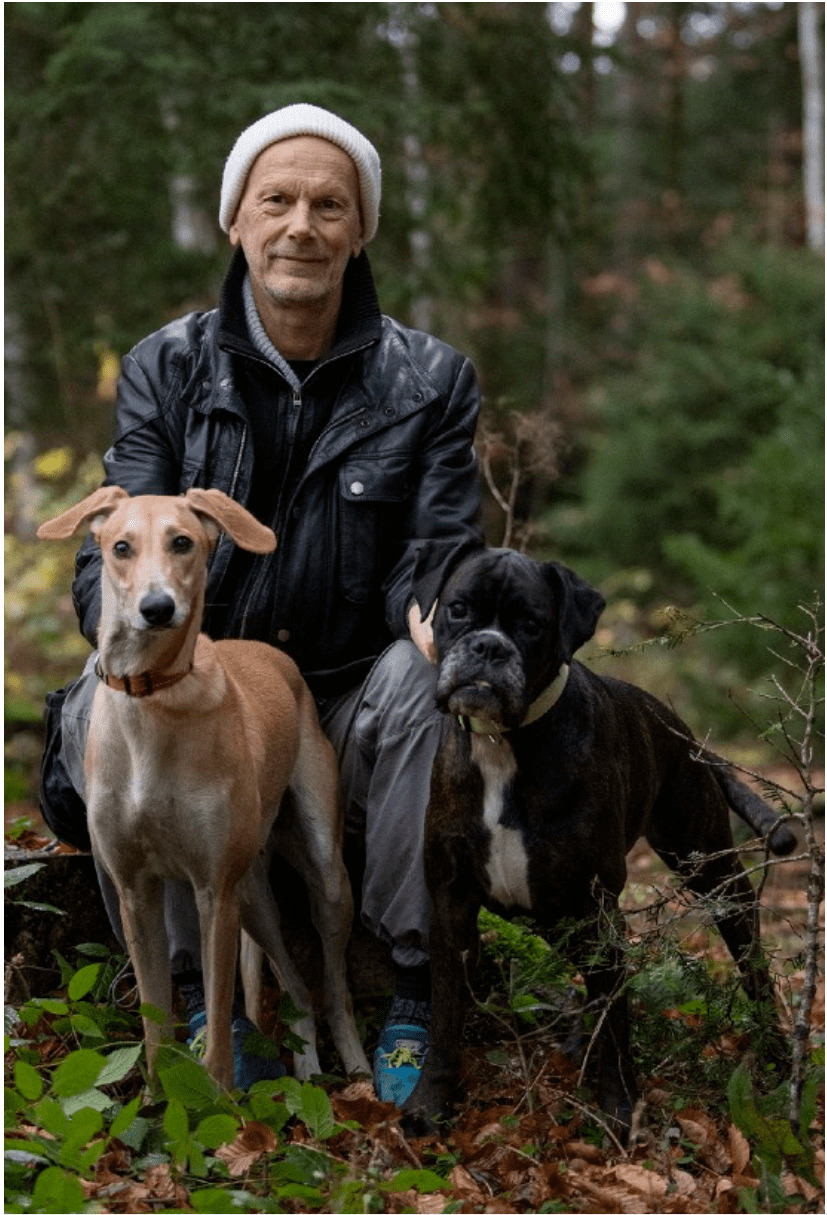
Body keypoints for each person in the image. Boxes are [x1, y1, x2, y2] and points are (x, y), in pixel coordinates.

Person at [45, 104, 482, 1103]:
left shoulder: (431, 379)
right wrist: (119, 639)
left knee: (424, 677)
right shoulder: (168, 364)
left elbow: (442, 547)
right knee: (89, 699)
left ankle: (413, 996)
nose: (301, 226)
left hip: (346, 686)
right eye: (274, 200)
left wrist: (436, 608)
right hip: (201, 677)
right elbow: (118, 530)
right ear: (233, 221)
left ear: (360, 229)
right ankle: (201, 1009)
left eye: (330, 205)